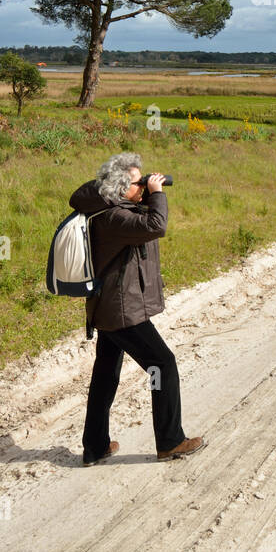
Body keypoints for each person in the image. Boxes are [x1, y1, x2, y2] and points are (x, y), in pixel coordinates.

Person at [72, 151, 205, 465]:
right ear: (119, 188)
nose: (144, 185)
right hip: (121, 311)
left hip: (108, 307)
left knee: (105, 375)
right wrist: (157, 194)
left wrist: (142, 187)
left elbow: (140, 213)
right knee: (163, 364)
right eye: (137, 182)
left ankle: (96, 446)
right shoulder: (114, 217)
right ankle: (171, 441)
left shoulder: (110, 207)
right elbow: (155, 224)